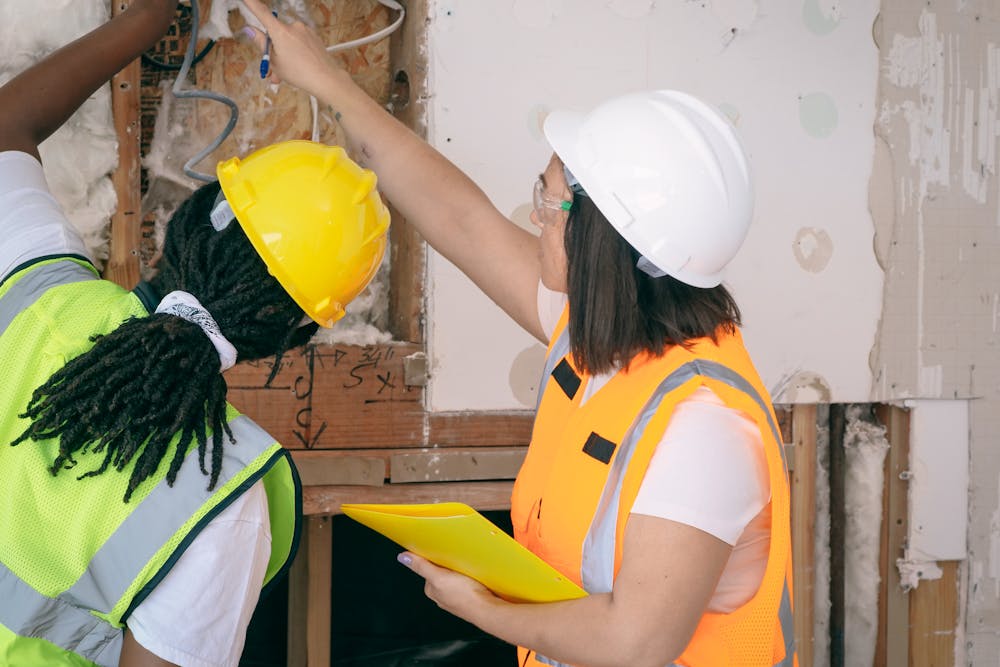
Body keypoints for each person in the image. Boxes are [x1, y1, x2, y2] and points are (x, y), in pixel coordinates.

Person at [240, 2, 796, 666]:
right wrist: (327, 81)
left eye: (550, 202)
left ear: (605, 242)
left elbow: (637, 640)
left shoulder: (704, 428)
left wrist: (483, 608)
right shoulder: (599, 342)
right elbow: (461, 217)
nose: (536, 218)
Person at [0, 2, 389, 665]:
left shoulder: (38, 296)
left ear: (189, 217)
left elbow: (8, 123)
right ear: (294, 334)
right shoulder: (215, 499)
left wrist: (153, 17)